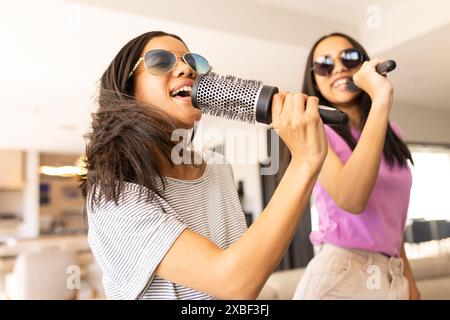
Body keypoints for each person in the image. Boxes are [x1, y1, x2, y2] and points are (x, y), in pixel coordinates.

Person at [80, 31, 328, 300]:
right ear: (127, 89)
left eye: (193, 63)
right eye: (161, 61)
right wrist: (303, 161)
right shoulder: (114, 197)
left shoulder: (216, 167)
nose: (187, 69)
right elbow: (234, 282)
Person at [279, 33, 419, 300]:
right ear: (315, 80)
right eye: (324, 64)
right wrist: (380, 100)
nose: (340, 68)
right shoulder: (315, 129)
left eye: (350, 58)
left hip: (393, 274)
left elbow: (391, 223)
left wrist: (410, 284)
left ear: (365, 65)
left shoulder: (391, 132)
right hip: (342, 273)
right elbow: (352, 199)